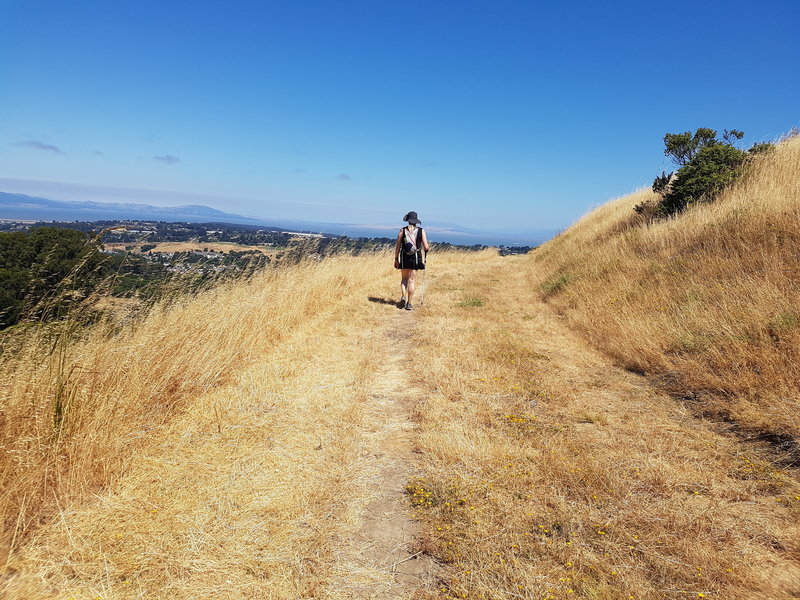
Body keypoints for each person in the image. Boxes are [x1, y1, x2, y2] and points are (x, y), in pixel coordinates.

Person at [393, 211, 430, 310]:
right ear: (416, 221)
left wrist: (396, 259)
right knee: (412, 281)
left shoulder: (402, 230)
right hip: (416, 258)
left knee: (404, 279)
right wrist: (426, 249)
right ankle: (409, 303)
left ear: (408, 220)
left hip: (404, 257)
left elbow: (398, 246)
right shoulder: (421, 231)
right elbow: (426, 247)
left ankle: (403, 297)